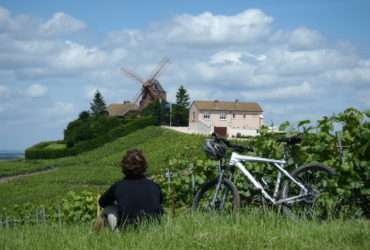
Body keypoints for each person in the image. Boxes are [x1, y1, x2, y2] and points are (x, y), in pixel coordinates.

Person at [96, 149, 163, 230]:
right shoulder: (154, 186)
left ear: (124, 167)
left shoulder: (118, 186)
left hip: (128, 229)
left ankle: (95, 235)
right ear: (144, 166)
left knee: (108, 208)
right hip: (153, 229)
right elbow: (159, 202)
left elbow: (102, 202)